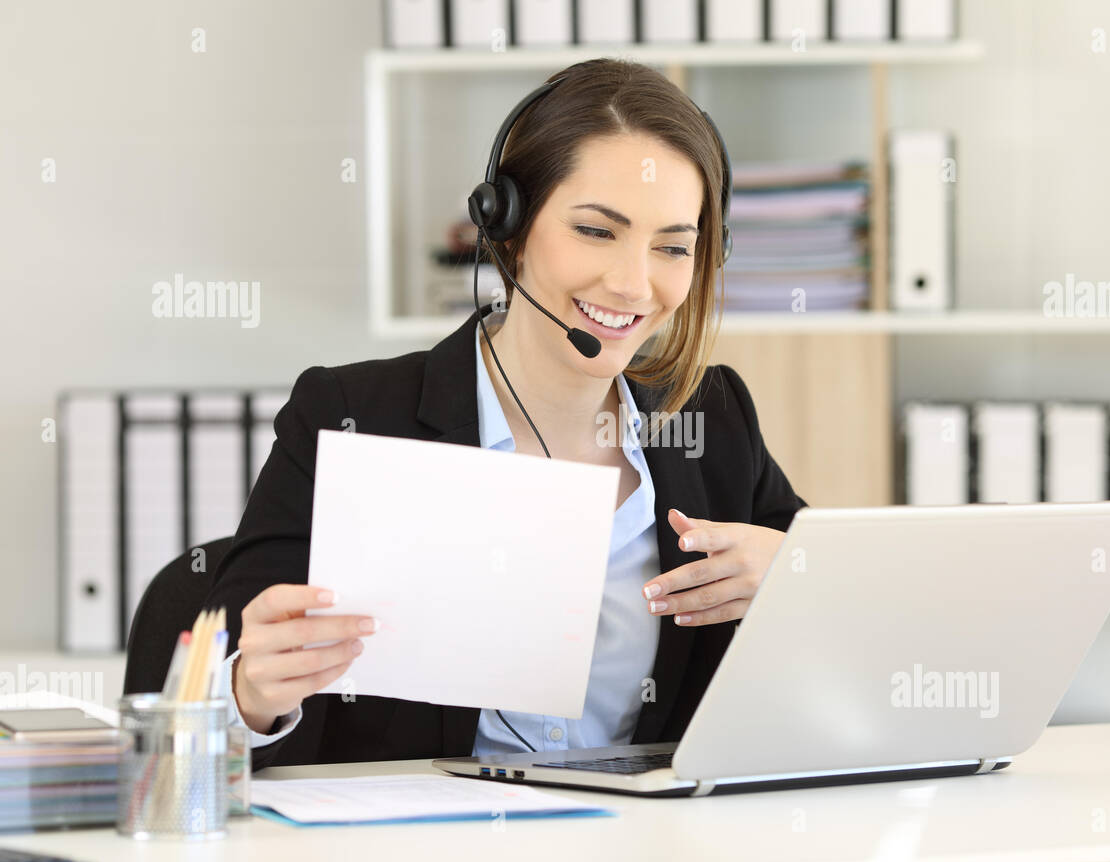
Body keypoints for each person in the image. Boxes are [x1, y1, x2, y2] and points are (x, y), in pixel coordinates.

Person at [205, 58, 808, 771]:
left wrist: (798, 580)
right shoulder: (350, 415)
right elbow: (206, 721)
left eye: (673, 246)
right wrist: (250, 694)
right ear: (507, 227)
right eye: (595, 230)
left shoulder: (714, 419)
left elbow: (842, 678)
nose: (632, 283)